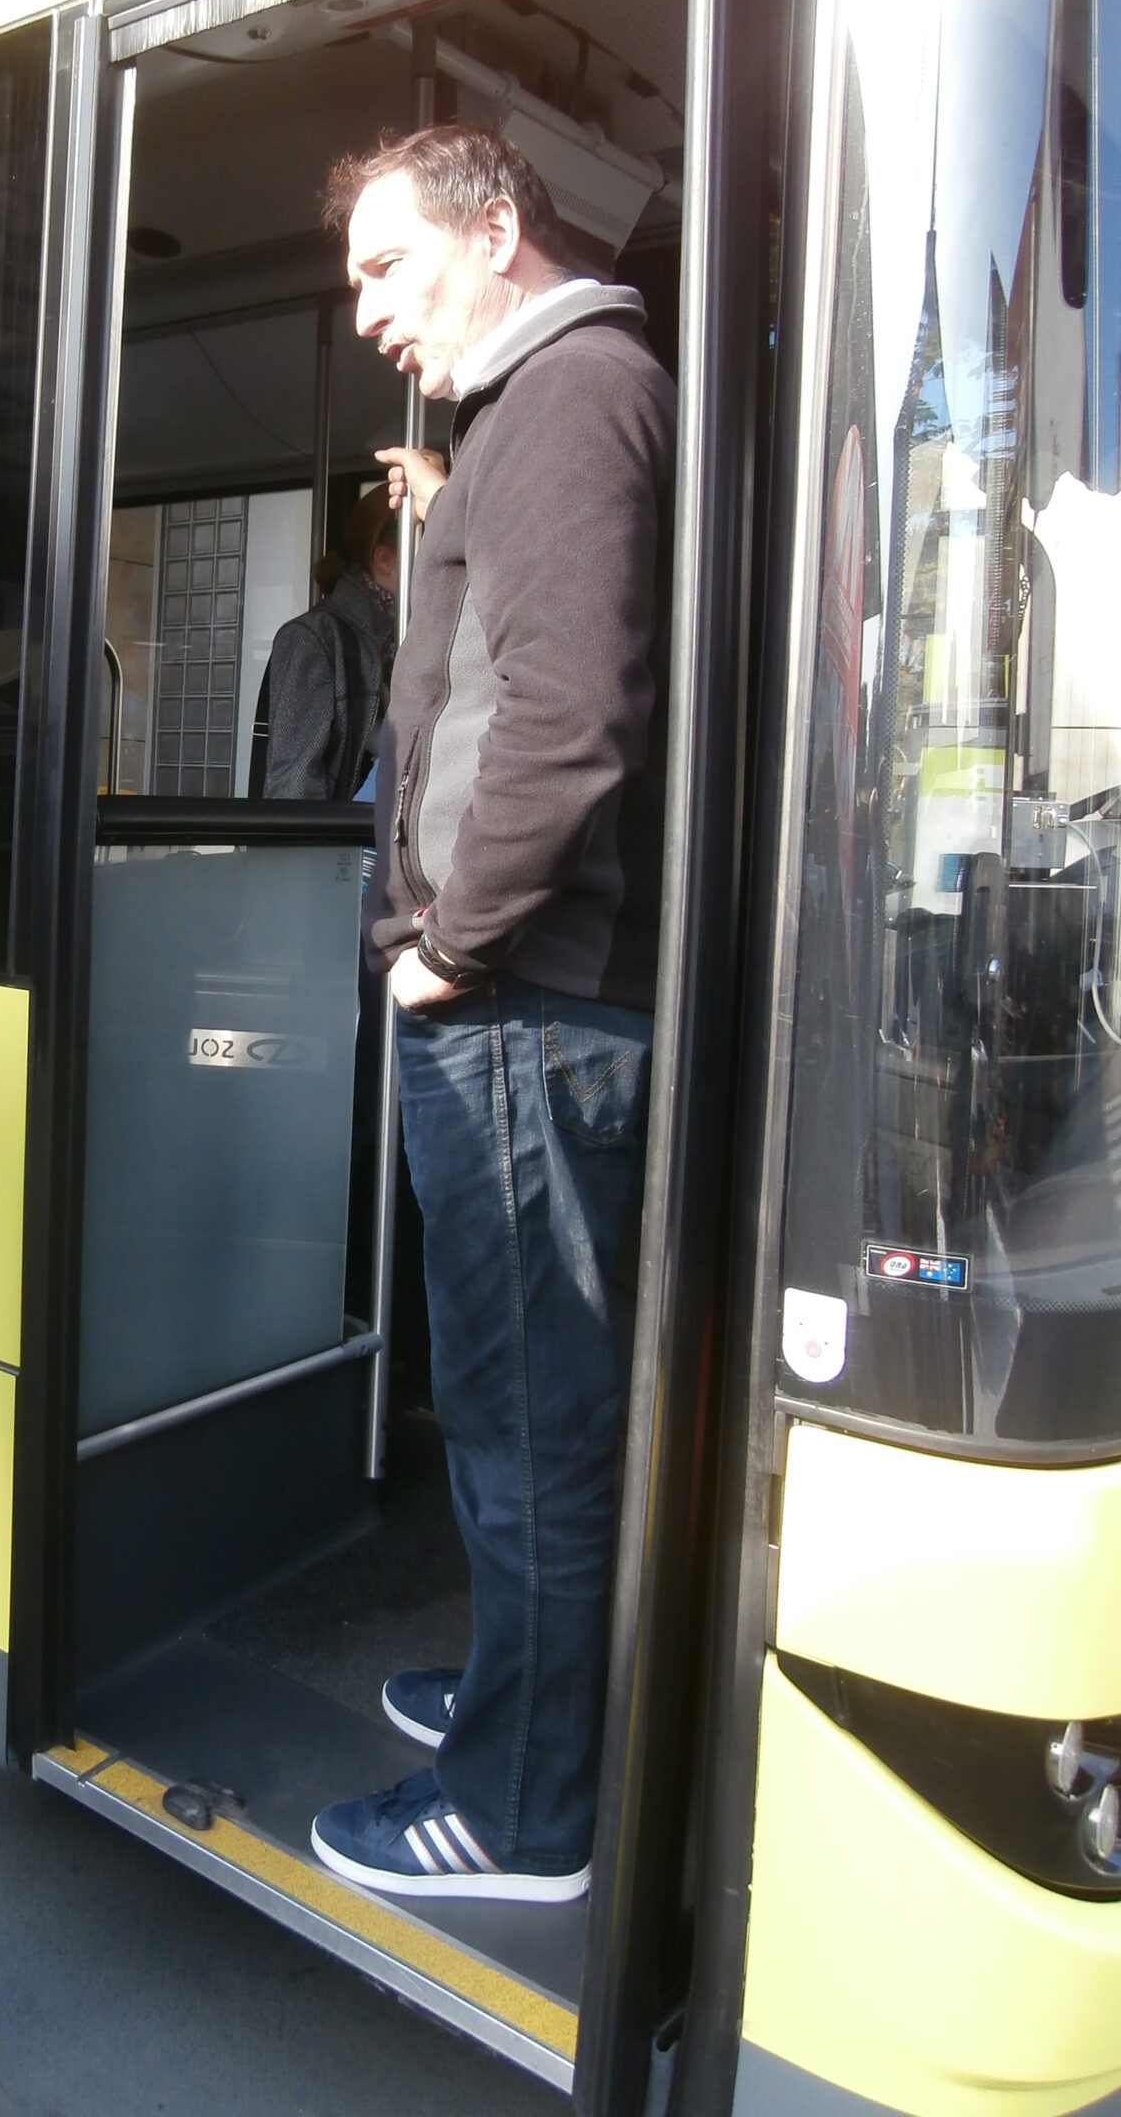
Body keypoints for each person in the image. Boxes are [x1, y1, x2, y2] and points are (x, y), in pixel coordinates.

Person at [307, 124, 674, 1905]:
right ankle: (524, 1705)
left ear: (499, 228)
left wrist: (451, 946)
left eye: (388, 265)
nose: (365, 308)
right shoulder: (529, 417)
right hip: (519, 1006)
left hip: (522, 1008)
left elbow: (563, 719)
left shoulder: (576, 392)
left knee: (533, 1427)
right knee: (530, 1412)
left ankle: (523, 1811)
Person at [248, 488, 399, 801]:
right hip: (341, 845)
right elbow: (294, 789)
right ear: (384, 558)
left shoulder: (400, 636)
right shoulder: (314, 639)